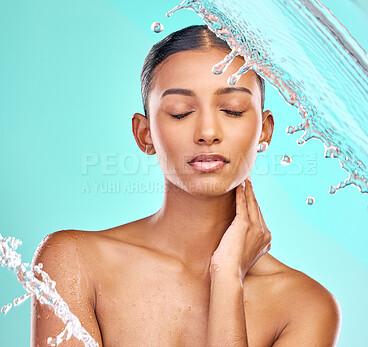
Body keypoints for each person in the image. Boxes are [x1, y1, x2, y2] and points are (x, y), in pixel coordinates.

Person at [31, 25, 341, 346]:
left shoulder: (305, 306)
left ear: (264, 130)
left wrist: (227, 278)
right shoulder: (75, 262)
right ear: (144, 134)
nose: (207, 131)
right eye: (181, 113)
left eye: (232, 110)